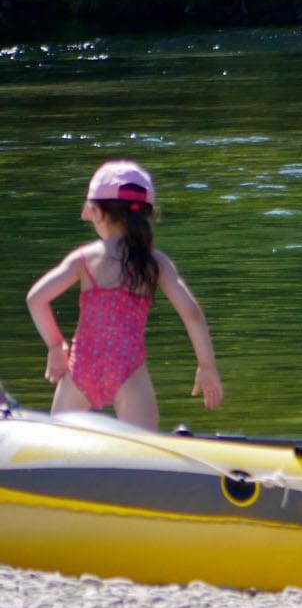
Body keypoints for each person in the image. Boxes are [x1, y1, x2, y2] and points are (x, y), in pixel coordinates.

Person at [27, 160, 223, 430]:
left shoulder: (84, 259)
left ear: (96, 211)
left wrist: (55, 346)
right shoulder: (154, 263)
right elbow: (191, 313)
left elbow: (36, 298)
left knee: (57, 451)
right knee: (145, 455)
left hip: (80, 369)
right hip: (128, 370)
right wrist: (206, 366)